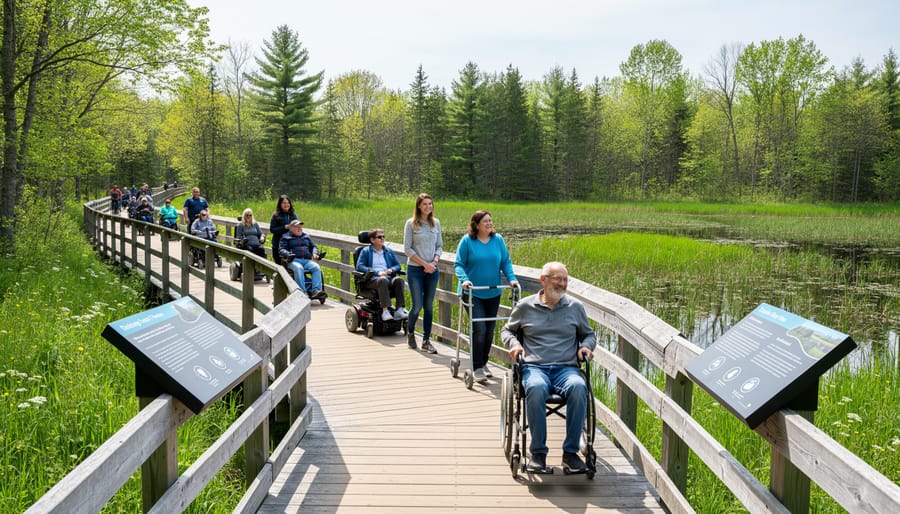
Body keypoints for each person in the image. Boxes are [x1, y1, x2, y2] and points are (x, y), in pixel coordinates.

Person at [500, 261, 596, 474]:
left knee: (579, 387)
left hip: (566, 368)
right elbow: (507, 331)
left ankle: (571, 453)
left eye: (565, 280)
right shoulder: (525, 306)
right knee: (534, 388)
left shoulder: (575, 307)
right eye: (557, 279)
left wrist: (586, 347)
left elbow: (588, 334)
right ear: (543, 280)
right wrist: (514, 344)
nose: (562, 284)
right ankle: (538, 453)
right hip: (535, 367)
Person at [454, 209, 519, 383]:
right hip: (473, 292)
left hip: (493, 291)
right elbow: (458, 264)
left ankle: (483, 362)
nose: (489, 224)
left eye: (490, 221)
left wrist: (512, 279)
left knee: (490, 330)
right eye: (485, 221)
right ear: (476, 225)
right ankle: (476, 367)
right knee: (480, 329)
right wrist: (465, 280)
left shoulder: (498, 240)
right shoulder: (467, 241)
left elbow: (505, 261)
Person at [403, 193, 442, 354]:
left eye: (430, 204)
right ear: (419, 206)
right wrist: (424, 264)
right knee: (417, 305)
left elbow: (439, 246)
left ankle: (426, 340)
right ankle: (410, 332)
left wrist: (433, 263)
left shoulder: (436, 223)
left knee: (429, 306)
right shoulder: (411, 224)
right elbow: (407, 249)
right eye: (425, 204)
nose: (428, 207)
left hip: (432, 270)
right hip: (415, 270)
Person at [356, 228, 408, 322]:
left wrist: (391, 269)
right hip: (372, 279)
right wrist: (377, 272)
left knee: (398, 280)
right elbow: (360, 266)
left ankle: (399, 310)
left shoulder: (388, 251)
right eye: (379, 237)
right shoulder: (365, 251)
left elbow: (397, 265)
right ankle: (385, 311)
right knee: (382, 280)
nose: (382, 239)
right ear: (372, 240)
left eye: (383, 236)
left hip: (387, 277)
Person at [279, 219, 326, 299]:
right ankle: (303, 292)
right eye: (297, 227)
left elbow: (313, 246)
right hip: (294, 260)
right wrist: (289, 254)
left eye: (300, 227)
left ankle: (315, 291)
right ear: (291, 228)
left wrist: (315, 253)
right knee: (299, 268)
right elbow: (281, 249)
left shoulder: (306, 236)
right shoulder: (286, 237)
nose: (299, 228)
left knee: (316, 267)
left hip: (307, 260)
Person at [236, 208, 267, 279]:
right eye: (247, 215)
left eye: (250, 215)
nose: (248, 217)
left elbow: (261, 233)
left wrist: (262, 237)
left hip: (256, 244)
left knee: (261, 250)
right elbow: (238, 237)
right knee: (250, 251)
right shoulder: (241, 225)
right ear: (244, 216)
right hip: (246, 244)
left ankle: (262, 269)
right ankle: (250, 270)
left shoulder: (255, 224)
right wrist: (242, 241)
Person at [269, 194, 297, 266]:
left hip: (290, 245)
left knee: (289, 267)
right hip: (277, 245)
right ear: (280, 204)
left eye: (288, 203)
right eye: (284, 203)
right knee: (279, 266)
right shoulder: (276, 215)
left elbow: (297, 228)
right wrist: (285, 227)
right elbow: (272, 229)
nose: (286, 205)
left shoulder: (293, 215)